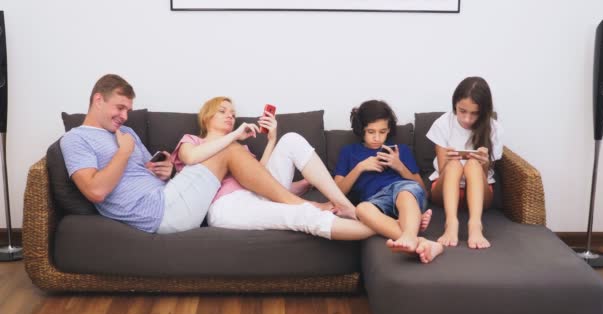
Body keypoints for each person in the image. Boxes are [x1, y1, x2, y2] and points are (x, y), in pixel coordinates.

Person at [60, 74, 329, 234]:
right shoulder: (76, 139)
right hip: (160, 210)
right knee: (230, 148)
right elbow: (95, 192)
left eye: (128, 110)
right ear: (98, 100)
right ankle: (300, 206)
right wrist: (123, 152)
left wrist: (166, 170)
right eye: (119, 108)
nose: (125, 116)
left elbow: (148, 169)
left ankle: (305, 201)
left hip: (169, 193)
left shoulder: (126, 133)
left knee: (234, 150)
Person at [171, 96, 375, 240]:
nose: (230, 116)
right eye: (222, 111)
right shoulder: (193, 140)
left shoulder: (239, 149)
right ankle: (380, 230)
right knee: (302, 215)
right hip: (228, 206)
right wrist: (232, 137)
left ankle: (344, 205)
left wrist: (271, 140)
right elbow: (190, 157)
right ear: (206, 117)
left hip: (256, 194)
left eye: (233, 114)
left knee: (290, 140)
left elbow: (260, 178)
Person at [334, 100, 443, 264]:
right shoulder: (349, 152)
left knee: (405, 194)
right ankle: (417, 239)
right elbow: (336, 192)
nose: (377, 137)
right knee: (361, 210)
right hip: (375, 200)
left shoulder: (401, 150)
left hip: (404, 191)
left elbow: (422, 189)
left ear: (389, 130)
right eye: (371, 131)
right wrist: (360, 168)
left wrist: (399, 166)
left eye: (382, 131)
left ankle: (408, 236)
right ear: (361, 130)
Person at [426, 76, 504, 249]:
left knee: (473, 164)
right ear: (455, 104)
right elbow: (442, 171)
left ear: (484, 111)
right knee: (454, 164)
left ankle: (475, 225)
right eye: (462, 111)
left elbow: (484, 178)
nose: (467, 119)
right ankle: (451, 223)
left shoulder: (494, 128)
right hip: (445, 189)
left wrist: (484, 163)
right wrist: (448, 160)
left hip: (479, 193)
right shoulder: (443, 124)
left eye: (474, 113)